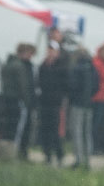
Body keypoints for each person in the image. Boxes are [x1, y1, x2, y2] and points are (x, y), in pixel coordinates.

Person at [33, 41, 69, 165]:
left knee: (55, 129)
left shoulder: (61, 66)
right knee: (45, 129)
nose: (50, 53)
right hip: (45, 102)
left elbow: (65, 84)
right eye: (49, 50)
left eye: (53, 50)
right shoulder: (43, 65)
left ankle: (59, 154)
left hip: (56, 102)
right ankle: (47, 154)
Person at [65, 41, 97, 169]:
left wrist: (73, 98)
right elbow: (96, 86)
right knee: (87, 132)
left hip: (77, 104)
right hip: (89, 104)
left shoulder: (76, 68)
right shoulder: (93, 68)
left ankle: (78, 158)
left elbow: (72, 86)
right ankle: (88, 160)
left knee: (77, 131)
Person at [0, 42, 36, 154]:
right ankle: (16, 151)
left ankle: (7, 150)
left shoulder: (8, 64)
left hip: (8, 99)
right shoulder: (20, 66)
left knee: (9, 125)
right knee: (19, 127)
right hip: (18, 100)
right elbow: (23, 86)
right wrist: (28, 101)